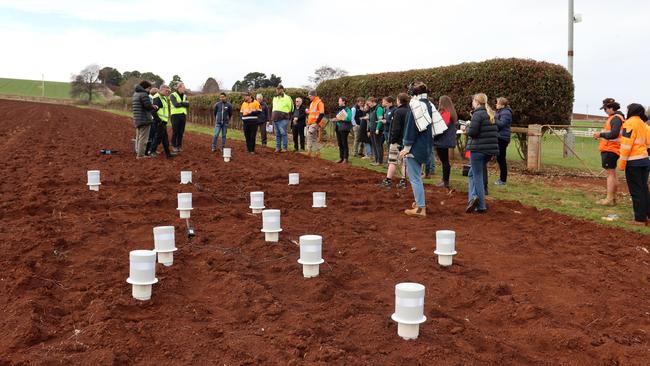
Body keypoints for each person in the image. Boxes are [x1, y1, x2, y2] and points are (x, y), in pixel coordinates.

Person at [399, 82, 434, 217]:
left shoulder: (415, 105)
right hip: (425, 145)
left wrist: (406, 147)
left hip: (415, 147)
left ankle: (420, 208)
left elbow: (411, 128)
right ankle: (419, 202)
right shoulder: (429, 104)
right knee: (417, 177)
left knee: (415, 178)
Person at [466, 93, 499, 214]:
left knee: (477, 176)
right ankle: (472, 198)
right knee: (471, 174)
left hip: (478, 149)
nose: (472, 103)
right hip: (489, 150)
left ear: (477, 102)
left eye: (473, 101)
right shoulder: (490, 114)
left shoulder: (477, 114)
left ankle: (480, 205)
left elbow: (473, 132)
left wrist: (467, 129)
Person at [618, 103, 649, 226]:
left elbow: (626, 145)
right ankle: (648, 216)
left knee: (636, 191)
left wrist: (622, 164)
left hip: (633, 162)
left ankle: (640, 219)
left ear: (631, 111)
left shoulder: (629, 123)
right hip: (644, 160)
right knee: (644, 189)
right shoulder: (643, 124)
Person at [591, 98, 624, 205]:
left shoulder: (615, 118)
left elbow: (614, 134)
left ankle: (609, 199)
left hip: (610, 149)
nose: (604, 111)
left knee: (610, 174)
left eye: (605, 109)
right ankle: (613, 198)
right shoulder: (618, 118)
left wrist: (600, 134)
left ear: (610, 108)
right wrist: (602, 136)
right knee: (613, 174)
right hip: (613, 149)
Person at [379, 92, 409, 189]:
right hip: (407, 140)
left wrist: (393, 140)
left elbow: (396, 128)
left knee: (392, 161)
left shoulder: (398, 111)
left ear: (399, 100)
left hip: (397, 140)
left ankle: (388, 180)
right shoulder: (410, 110)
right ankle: (403, 181)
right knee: (404, 161)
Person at [433, 95, 458, 189]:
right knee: (445, 161)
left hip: (442, 140)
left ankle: (445, 181)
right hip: (444, 140)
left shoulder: (446, 113)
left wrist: (434, 135)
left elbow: (441, 127)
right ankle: (444, 180)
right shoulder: (450, 113)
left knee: (445, 162)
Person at [132, 80, 158, 159]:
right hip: (144, 119)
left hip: (138, 118)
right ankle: (141, 155)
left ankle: (138, 152)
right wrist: (154, 107)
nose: (149, 91)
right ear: (146, 87)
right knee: (144, 138)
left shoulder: (136, 94)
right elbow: (148, 106)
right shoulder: (144, 94)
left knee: (139, 137)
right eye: (149, 88)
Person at [149, 85, 175, 159]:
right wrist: (158, 120)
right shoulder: (157, 98)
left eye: (168, 91)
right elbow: (153, 111)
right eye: (166, 91)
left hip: (163, 122)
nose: (167, 92)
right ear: (162, 90)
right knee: (158, 137)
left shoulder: (164, 98)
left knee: (165, 138)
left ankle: (168, 153)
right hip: (159, 122)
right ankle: (152, 151)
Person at [494, 97, 512, 186]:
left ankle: (503, 180)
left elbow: (501, 124)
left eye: (497, 103)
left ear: (502, 105)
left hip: (502, 138)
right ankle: (502, 179)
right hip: (499, 137)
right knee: (499, 158)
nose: (496, 104)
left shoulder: (506, 113)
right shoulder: (500, 112)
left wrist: (493, 118)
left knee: (501, 159)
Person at [271, 85, 293, 153]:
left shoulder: (288, 98)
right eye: (277, 89)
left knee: (283, 133)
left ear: (282, 90)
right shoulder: (275, 98)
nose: (277, 91)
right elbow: (273, 107)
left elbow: (291, 108)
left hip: (283, 119)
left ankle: (285, 148)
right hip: (275, 118)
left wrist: (284, 114)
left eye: (279, 89)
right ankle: (278, 147)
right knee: (277, 134)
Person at [170, 83, 190, 152]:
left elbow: (188, 105)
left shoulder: (185, 96)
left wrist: (180, 103)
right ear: (179, 88)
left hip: (183, 115)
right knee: (175, 131)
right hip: (175, 115)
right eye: (184, 87)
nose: (185, 89)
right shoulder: (173, 95)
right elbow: (175, 105)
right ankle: (174, 145)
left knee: (181, 132)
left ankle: (179, 146)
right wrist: (183, 103)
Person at [332, 97, 353, 163]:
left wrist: (339, 119)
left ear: (343, 102)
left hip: (344, 128)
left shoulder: (347, 109)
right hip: (338, 128)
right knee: (340, 143)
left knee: (344, 143)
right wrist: (335, 119)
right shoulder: (339, 109)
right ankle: (341, 158)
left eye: (340, 101)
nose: (338, 102)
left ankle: (345, 158)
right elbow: (337, 117)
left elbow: (349, 118)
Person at [305, 90, 325, 158]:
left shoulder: (319, 102)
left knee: (309, 134)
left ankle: (309, 151)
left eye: (310, 96)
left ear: (314, 96)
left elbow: (322, 114)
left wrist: (316, 122)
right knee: (313, 138)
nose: (309, 97)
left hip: (315, 123)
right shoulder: (312, 103)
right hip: (310, 123)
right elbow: (313, 113)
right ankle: (318, 152)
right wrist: (308, 112)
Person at [367, 97, 385, 166]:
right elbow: (370, 120)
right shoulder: (372, 109)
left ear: (373, 101)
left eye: (369, 103)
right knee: (374, 145)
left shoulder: (379, 108)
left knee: (378, 145)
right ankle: (376, 159)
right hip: (372, 129)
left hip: (377, 130)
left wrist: (377, 129)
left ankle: (379, 161)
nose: (368, 105)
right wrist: (369, 130)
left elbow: (380, 120)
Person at [145, 87, 160, 156]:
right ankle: (148, 150)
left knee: (152, 135)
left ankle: (150, 150)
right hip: (151, 119)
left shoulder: (149, 98)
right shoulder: (151, 99)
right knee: (151, 136)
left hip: (150, 119)